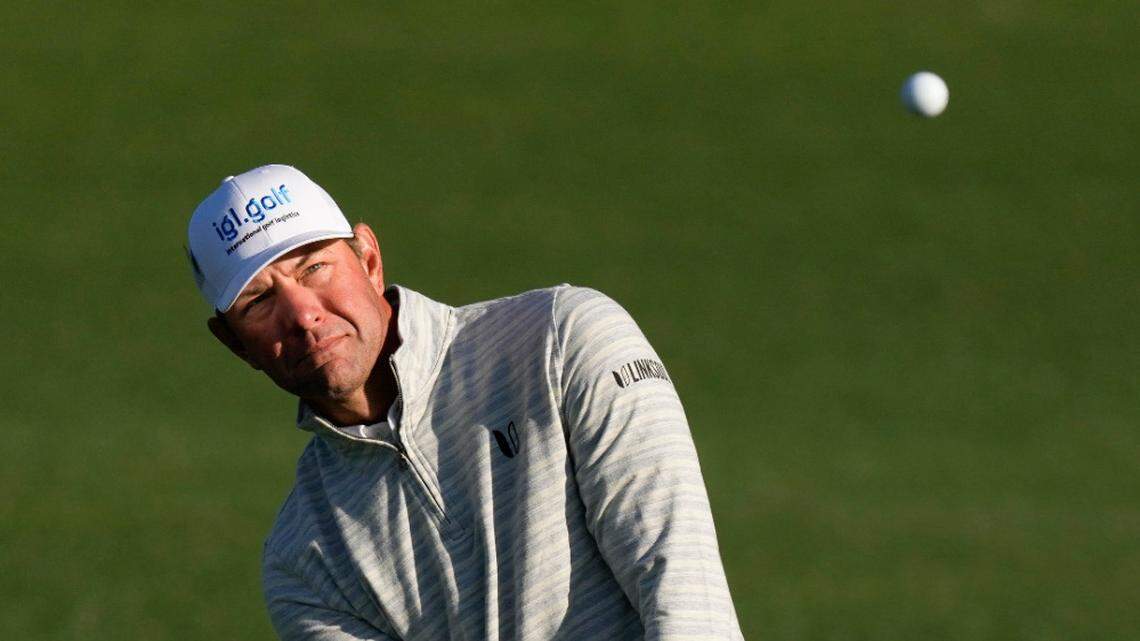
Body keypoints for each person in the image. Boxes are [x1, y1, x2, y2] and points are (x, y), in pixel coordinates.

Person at [187, 164, 744, 640]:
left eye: (315, 267)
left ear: (370, 260)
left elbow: (684, 593)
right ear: (235, 343)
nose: (303, 314)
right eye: (259, 300)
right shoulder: (304, 562)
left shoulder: (563, 338)